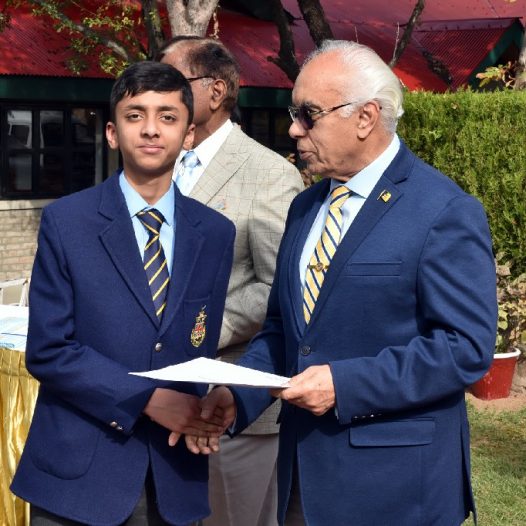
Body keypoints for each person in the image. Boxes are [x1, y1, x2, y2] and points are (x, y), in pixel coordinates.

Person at [192, 40, 498, 525]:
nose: (294, 129)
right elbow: (284, 329)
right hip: (303, 479)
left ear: (365, 117)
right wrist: (237, 395)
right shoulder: (305, 207)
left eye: (308, 115)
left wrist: (344, 384)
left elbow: (465, 348)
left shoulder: (442, 210)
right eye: (294, 114)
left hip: (397, 488)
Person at [10, 61, 235, 526]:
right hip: (79, 473)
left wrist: (200, 414)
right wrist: (147, 398)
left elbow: (198, 343)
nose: (151, 129)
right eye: (136, 115)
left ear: (189, 135)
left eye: (168, 117)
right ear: (112, 134)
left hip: (174, 472)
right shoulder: (67, 222)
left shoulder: (214, 232)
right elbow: (49, 350)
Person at [157, 37, 304, 526]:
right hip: (154, 400)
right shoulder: (158, 161)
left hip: (231, 403)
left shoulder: (269, 174)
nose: (159, 92)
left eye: (173, 81)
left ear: (216, 91)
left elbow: (276, 287)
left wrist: (189, 331)